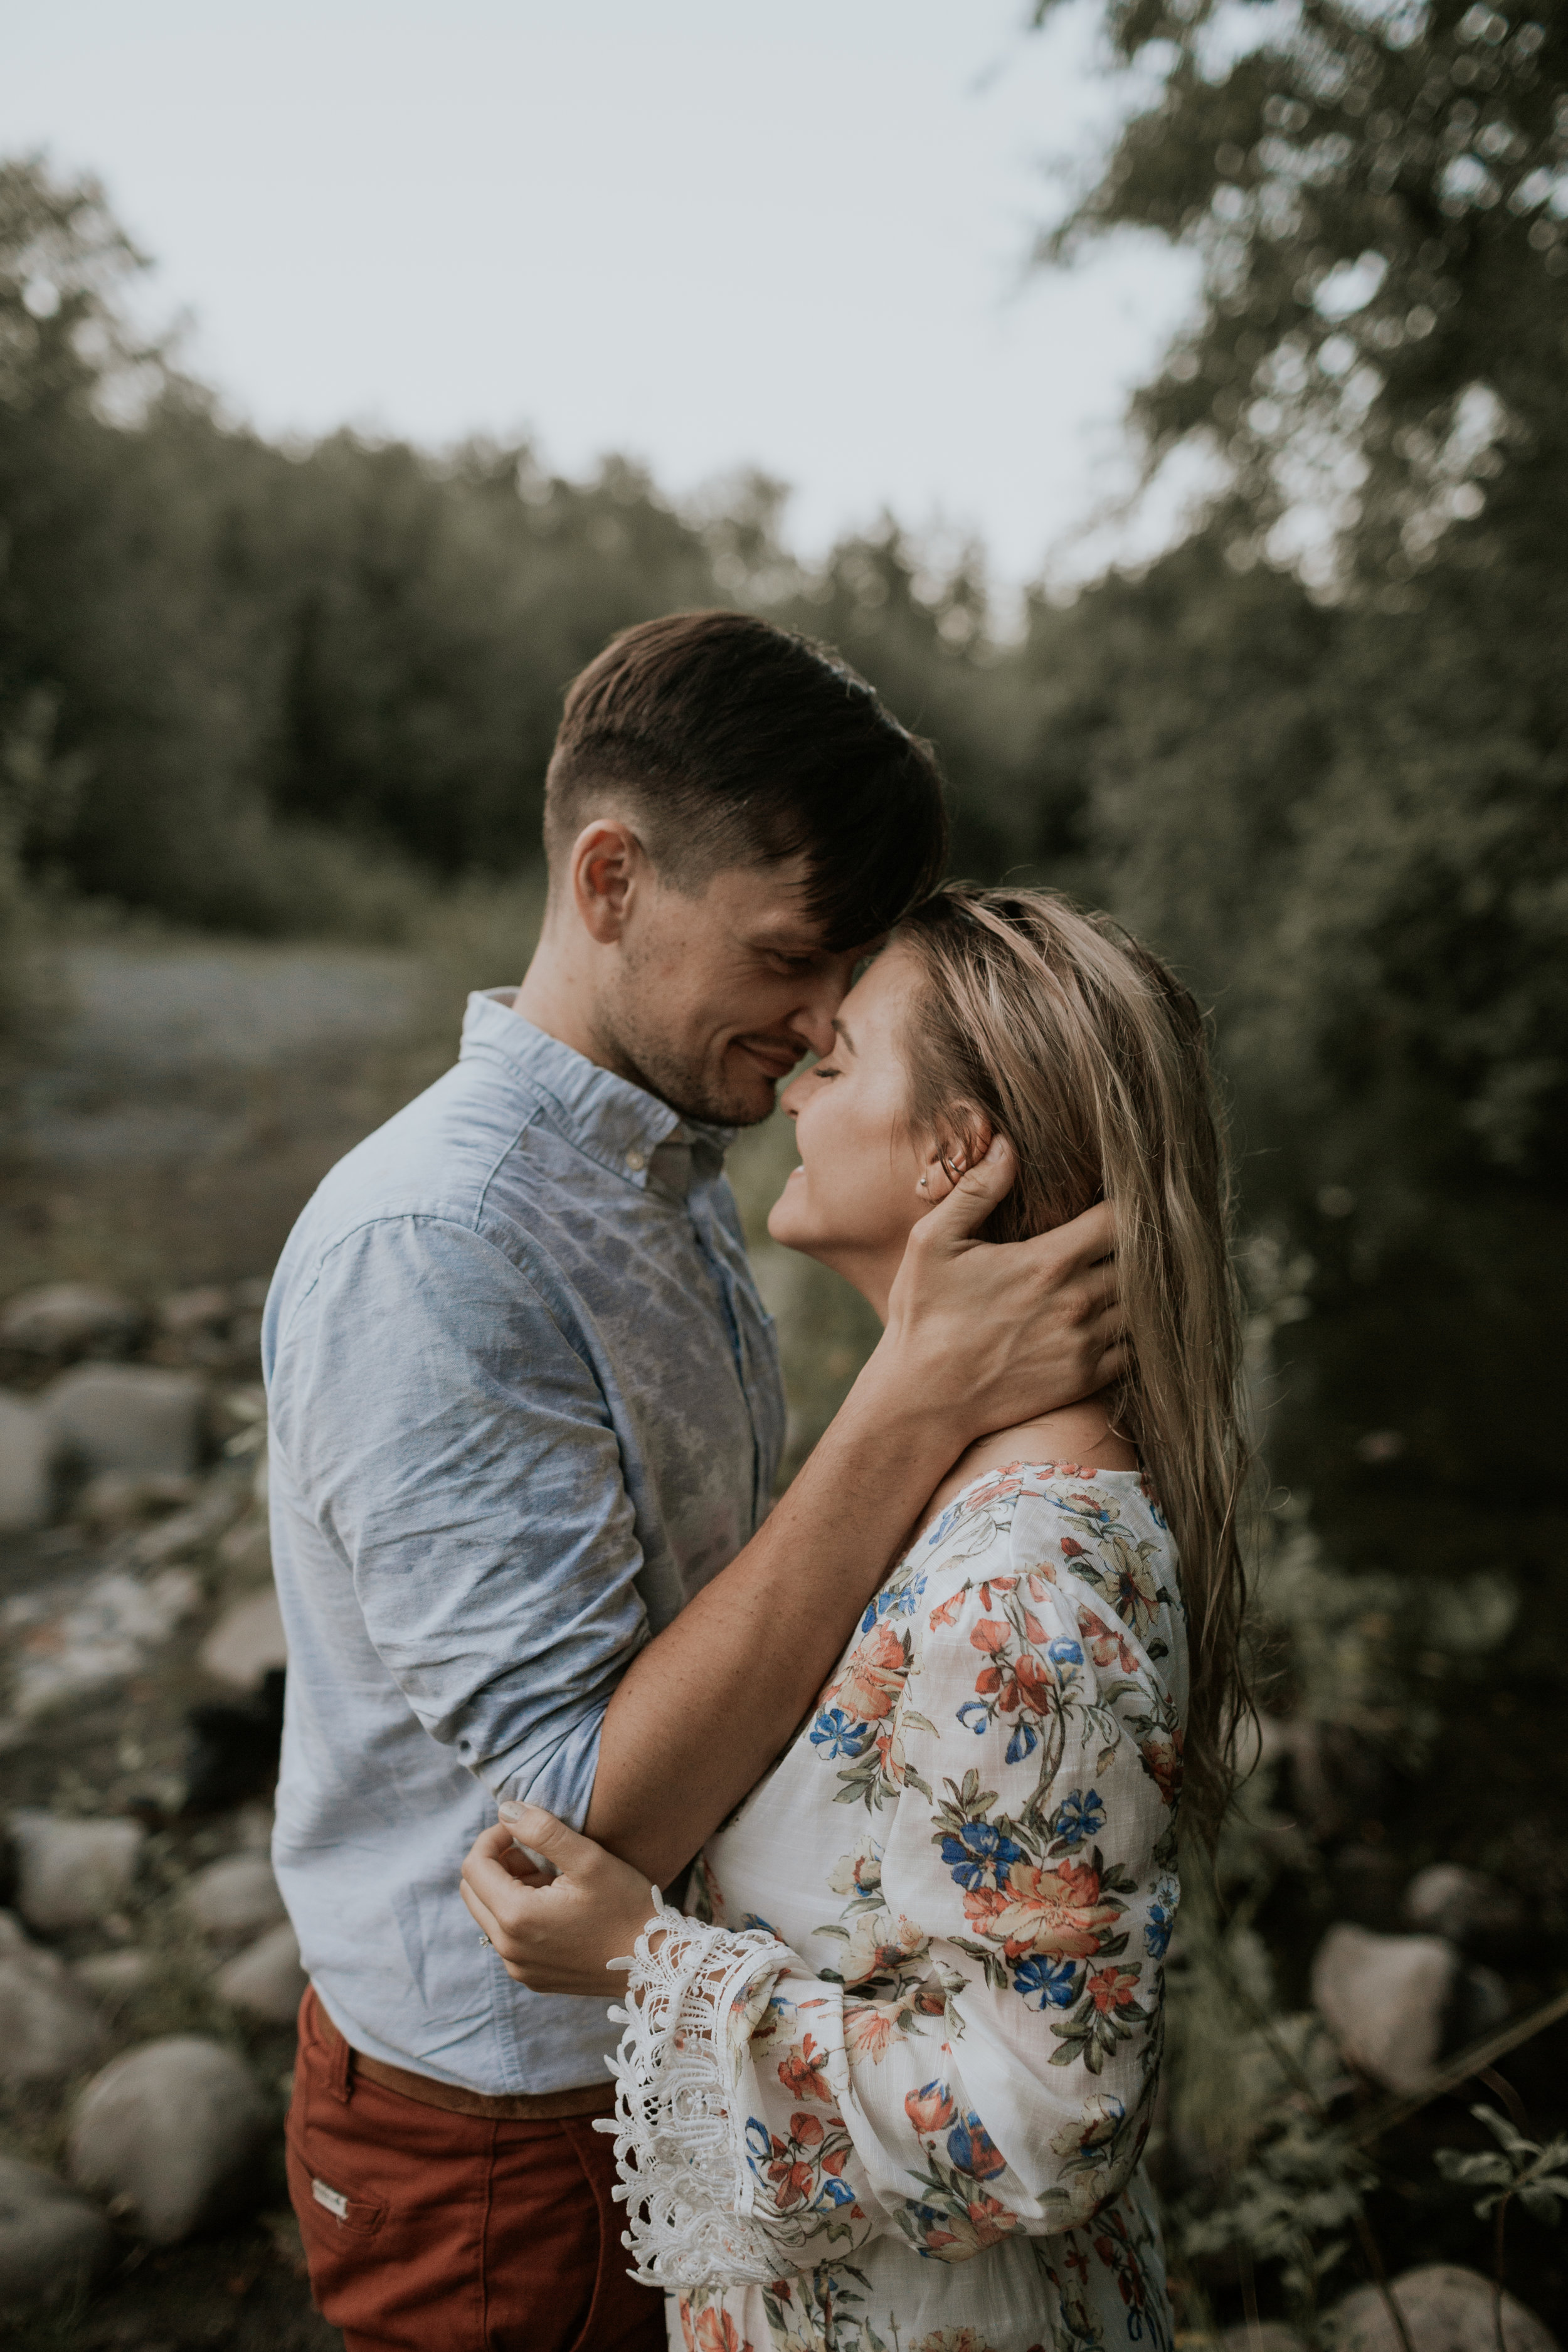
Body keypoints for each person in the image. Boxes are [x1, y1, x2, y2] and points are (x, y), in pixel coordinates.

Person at [266, 614, 1125, 2352]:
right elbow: (580, 1813)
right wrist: (916, 1394)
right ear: (608, 877)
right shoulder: (438, 1245)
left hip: (684, 2054)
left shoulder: (662, 1161)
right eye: (793, 956)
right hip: (510, 2130)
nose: (822, 1025)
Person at [462, 883, 1249, 2352]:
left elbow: (1040, 2124)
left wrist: (645, 1956)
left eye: (837, 1063)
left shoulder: (1020, 1586)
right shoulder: (968, 1497)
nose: (793, 1096)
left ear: (952, 1153)